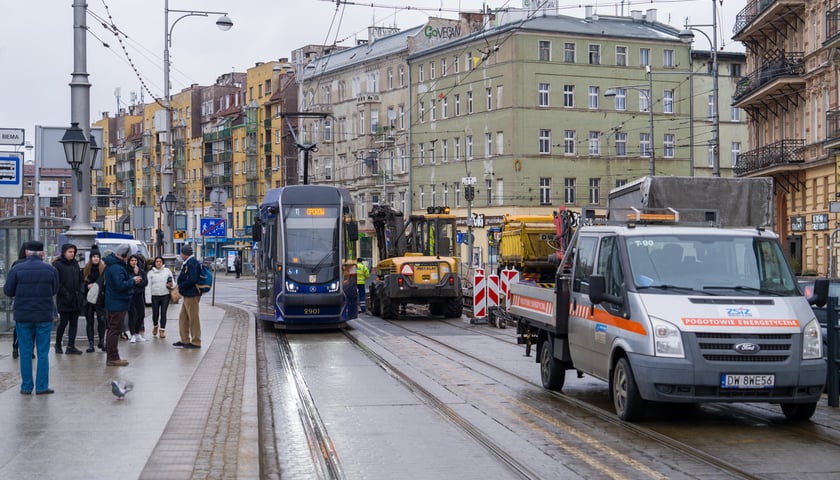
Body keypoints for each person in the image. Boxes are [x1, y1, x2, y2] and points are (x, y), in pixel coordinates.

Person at [4, 241, 60, 394]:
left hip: (23, 315)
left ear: (27, 252)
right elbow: (55, 289)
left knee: (25, 352)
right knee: (43, 352)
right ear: (42, 253)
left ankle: (26, 386)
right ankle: (42, 386)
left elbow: (8, 291)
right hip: (44, 315)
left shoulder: (17, 269)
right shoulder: (50, 269)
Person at [103, 243, 141, 367]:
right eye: (128, 256)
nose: (128, 259)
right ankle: (113, 357)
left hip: (115, 301)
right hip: (117, 302)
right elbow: (120, 285)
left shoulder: (113, 265)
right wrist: (132, 280)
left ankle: (113, 356)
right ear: (124, 255)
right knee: (114, 329)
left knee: (112, 329)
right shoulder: (116, 267)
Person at [53, 243, 86, 355]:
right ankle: (58, 344)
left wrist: (81, 292)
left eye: (73, 252)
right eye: (70, 252)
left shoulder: (75, 264)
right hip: (64, 299)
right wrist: (65, 293)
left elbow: (81, 279)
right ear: (64, 252)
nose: (72, 254)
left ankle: (71, 346)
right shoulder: (58, 265)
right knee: (63, 322)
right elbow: (57, 283)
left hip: (76, 299)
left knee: (74, 323)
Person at [174, 245, 201, 349]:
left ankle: (196, 341)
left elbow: (193, 279)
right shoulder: (189, 262)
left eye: (181, 253)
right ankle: (184, 339)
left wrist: (181, 286)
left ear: (184, 254)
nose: (180, 255)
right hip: (187, 294)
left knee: (193, 318)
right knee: (183, 317)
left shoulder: (192, 263)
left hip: (192, 294)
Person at [11, 241, 33, 360]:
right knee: (34, 326)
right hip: (35, 300)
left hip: (20, 299)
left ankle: (15, 347)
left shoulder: (16, 264)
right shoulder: (39, 265)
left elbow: (10, 285)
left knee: (19, 325)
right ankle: (31, 350)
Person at [83, 246, 107, 352]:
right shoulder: (86, 269)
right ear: (91, 258)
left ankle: (101, 341)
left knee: (102, 320)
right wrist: (87, 286)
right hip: (89, 300)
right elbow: (82, 283)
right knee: (90, 321)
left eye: (97, 256)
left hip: (100, 299)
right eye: (94, 256)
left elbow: (106, 283)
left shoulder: (103, 269)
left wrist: (96, 285)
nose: (96, 258)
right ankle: (91, 343)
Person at [147, 256, 173, 339]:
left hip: (165, 295)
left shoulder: (167, 271)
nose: (158, 263)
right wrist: (147, 298)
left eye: (160, 262)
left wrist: (171, 285)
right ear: (155, 263)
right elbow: (148, 286)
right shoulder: (151, 273)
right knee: (155, 313)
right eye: (157, 261)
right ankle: (155, 325)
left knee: (163, 313)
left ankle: (162, 330)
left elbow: (173, 282)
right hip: (155, 295)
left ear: (162, 263)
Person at [127, 254, 149, 343]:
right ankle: (132, 334)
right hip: (130, 295)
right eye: (132, 261)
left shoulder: (141, 271)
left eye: (135, 261)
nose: (134, 262)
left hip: (139, 295)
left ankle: (137, 333)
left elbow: (145, 282)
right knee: (132, 314)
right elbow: (127, 282)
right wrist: (134, 279)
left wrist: (137, 281)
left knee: (141, 314)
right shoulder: (127, 271)